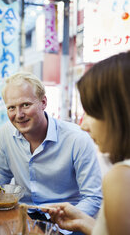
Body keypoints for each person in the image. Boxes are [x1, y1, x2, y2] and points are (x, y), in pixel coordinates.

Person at [0, 72, 102, 221]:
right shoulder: (6, 132)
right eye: (11, 108)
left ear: (43, 102)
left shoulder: (77, 138)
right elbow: (2, 172)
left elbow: (93, 197)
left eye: (25, 105)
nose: (18, 114)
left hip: (68, 222)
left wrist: (63, 222)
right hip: (22, 214)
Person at [45, 51, 130, 235]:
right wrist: (85, 222)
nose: (83, 125)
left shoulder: (121, 177)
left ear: (118, 113)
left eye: (91, 112)